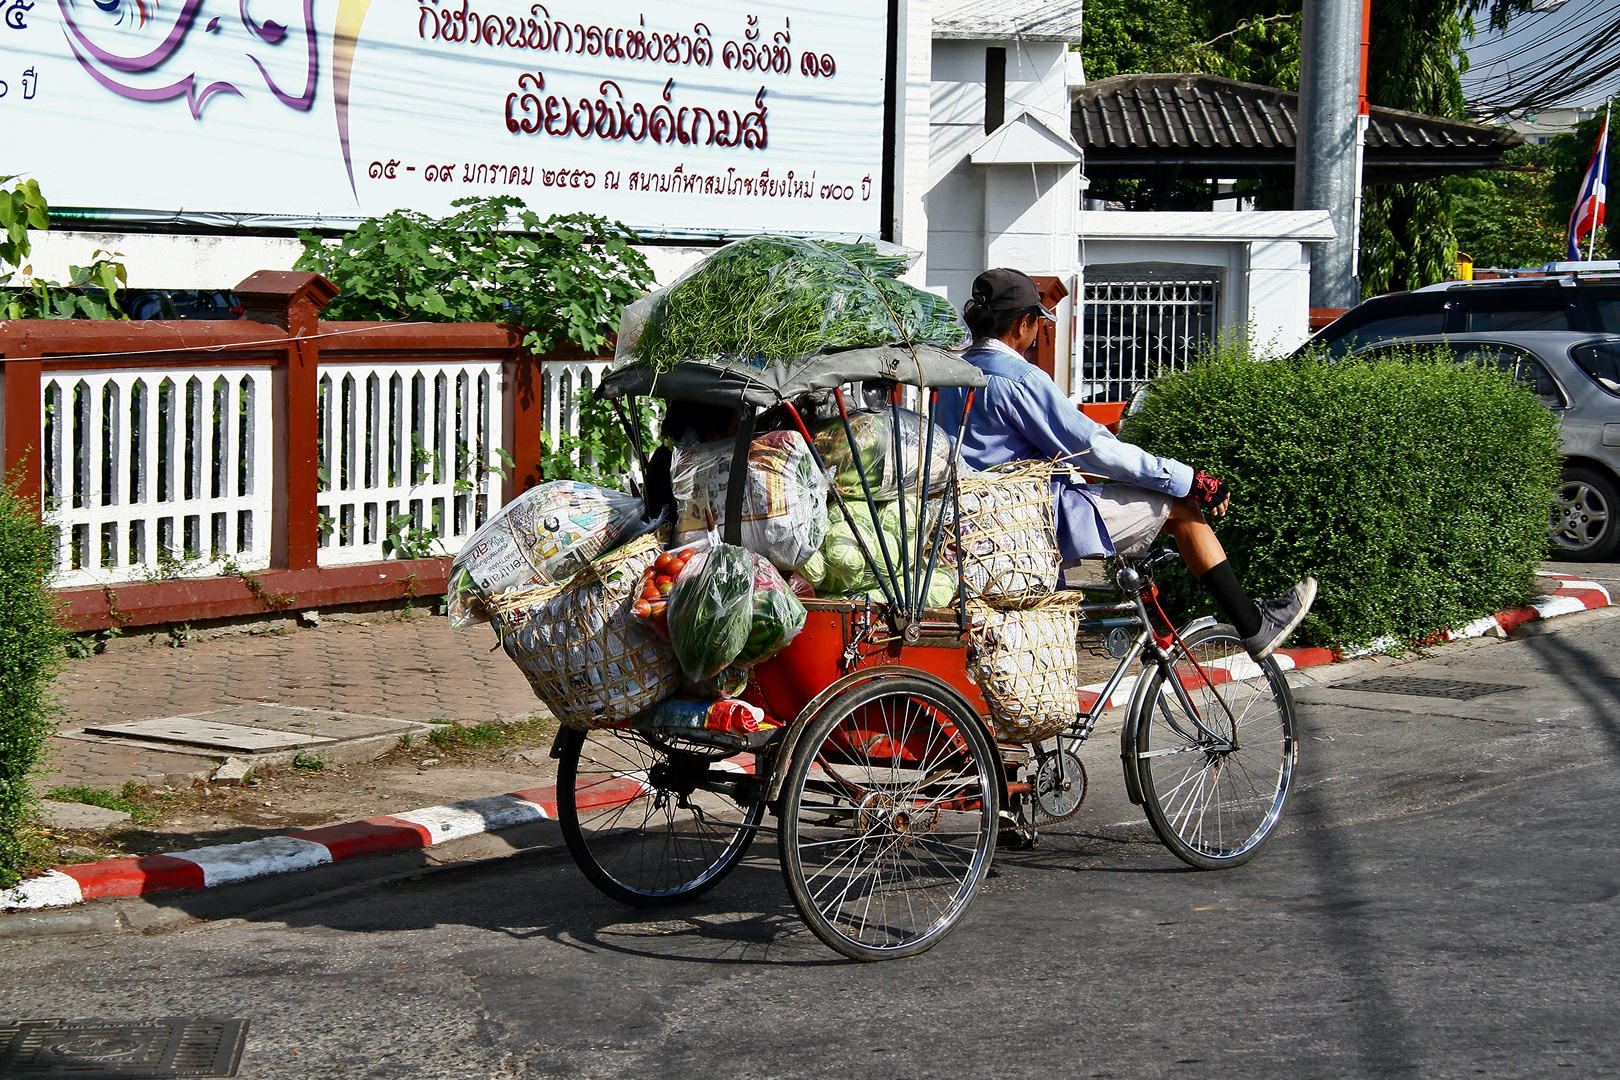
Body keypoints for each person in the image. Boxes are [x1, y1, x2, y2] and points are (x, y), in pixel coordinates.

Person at [936, 268, 1315, 661]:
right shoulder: (1020, 377)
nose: (1035, 337)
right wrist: (1187, 479)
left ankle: (1162, 627)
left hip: (974, 525)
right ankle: (1254, 627)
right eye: (1036, 325)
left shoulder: (954, 374)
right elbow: (1095, 448)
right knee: (1182, 510)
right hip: (1030, 521)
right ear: (1024, 323)